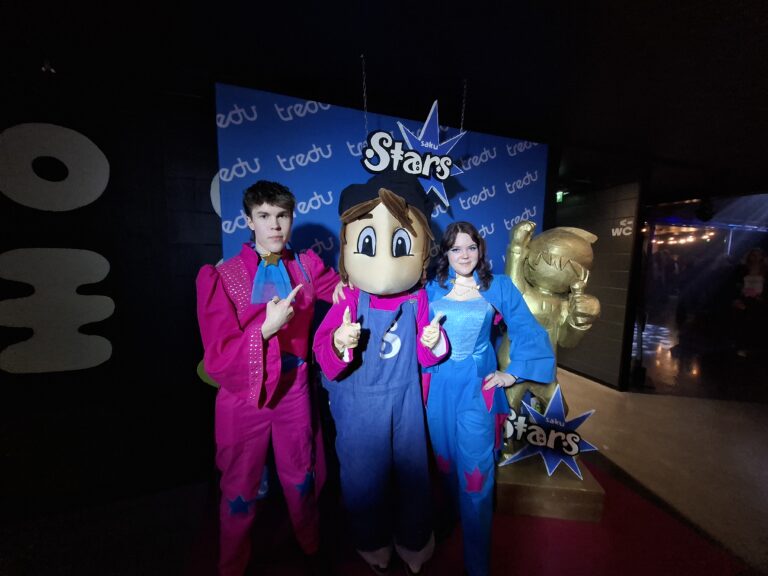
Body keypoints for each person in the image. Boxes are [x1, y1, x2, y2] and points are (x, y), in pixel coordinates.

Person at [196, 180, 339, 576]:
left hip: (294, 390)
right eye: (264, 216)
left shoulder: (306, 267)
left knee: (301, 475)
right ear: (249, 221)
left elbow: (347, 292)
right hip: (245, 395)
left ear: (291, 218)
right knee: (239, 489)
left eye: (281, 216)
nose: (274, 225)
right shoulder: (222, 276)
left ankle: (310, 547)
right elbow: (217, 356)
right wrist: (264, 330)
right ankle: (232, 566)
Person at [313, 172, 448, 576]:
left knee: (413, 474)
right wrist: (339, 342)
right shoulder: (348, 299)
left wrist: (432, 340)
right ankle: (371, 540)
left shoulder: (418, 299)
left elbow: (425, 356)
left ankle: (414, 539)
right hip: (359, 404)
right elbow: (323, 353)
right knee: (363, 477)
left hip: (405, 400)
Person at [424, 221, 556, 576]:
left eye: (471, 247)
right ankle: (452, 520)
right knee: (446, 464)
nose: (464, 255)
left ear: (480, 249)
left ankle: (477, 564)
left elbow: (527, 329)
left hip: (477, 391)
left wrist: (512, 373)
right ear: (446, 253)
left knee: (476, 476)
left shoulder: (498, 286)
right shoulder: (432, 289)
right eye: (456, 248)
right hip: (438, 390)